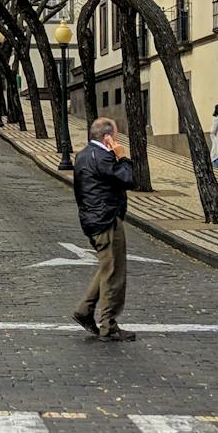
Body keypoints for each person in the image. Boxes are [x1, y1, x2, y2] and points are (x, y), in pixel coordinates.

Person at [72, 117, 137, 341]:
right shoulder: (103, 157)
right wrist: (122, 155)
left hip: (91, 219)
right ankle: (109, 325)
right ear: (107, 137)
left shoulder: (82, 155)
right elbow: (129, 179)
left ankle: (85, 310)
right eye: (116, 136)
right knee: (113, 273)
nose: (118, 140)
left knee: (106, 267)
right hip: (106, 220)